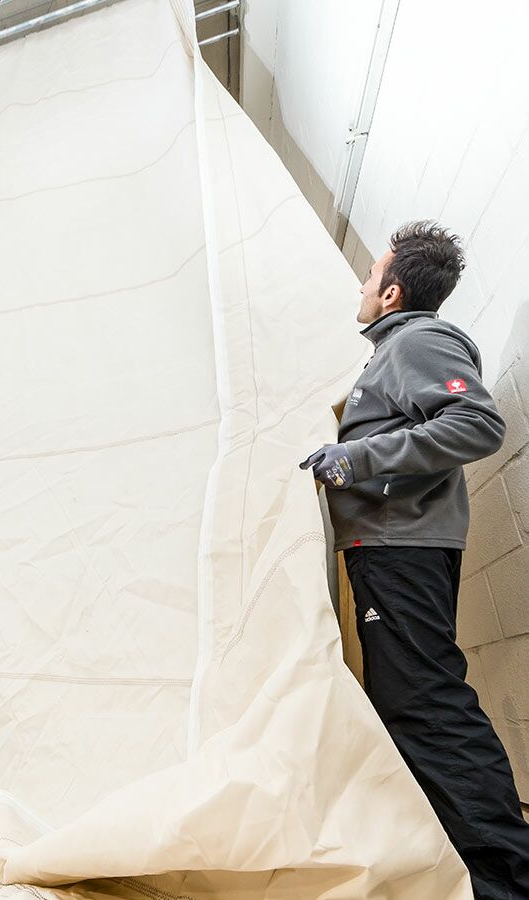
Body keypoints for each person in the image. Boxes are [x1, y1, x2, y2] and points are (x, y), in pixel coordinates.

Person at [299, 221, 529, 899]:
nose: (364, 285)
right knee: (411, 706)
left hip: (402, 547)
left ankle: (508, 879)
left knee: (426, 705)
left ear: (393, 290)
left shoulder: (421, 339)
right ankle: (472, 868)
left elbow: (476, 423)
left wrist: (355, 458)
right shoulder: (393, 353)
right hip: (392, 548)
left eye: (371, 275)